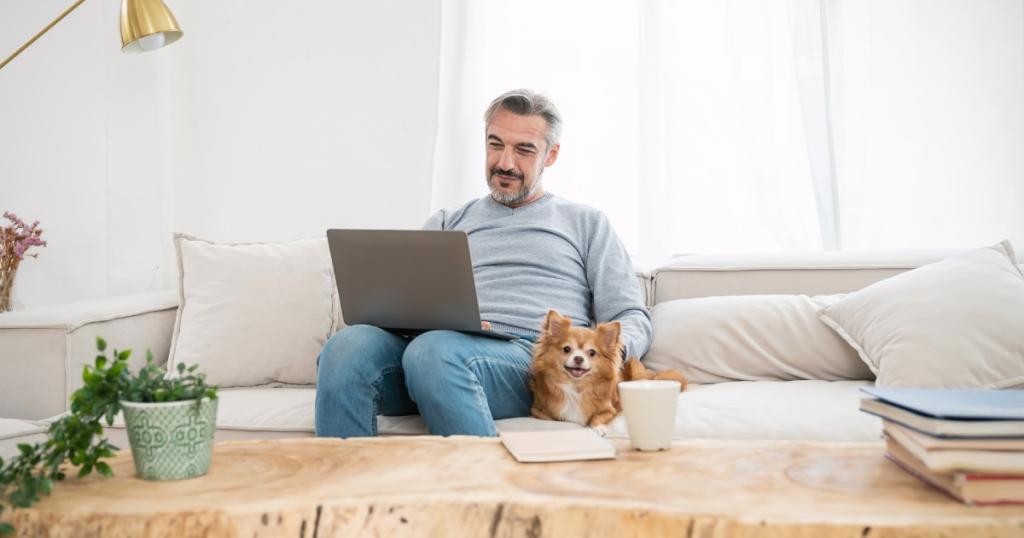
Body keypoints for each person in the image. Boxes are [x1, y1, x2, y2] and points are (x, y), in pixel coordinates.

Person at [315, 89, 652, 437]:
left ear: (551, 155)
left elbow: (632, 316)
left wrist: (600, 357)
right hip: (430, 353)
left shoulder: (585, 222)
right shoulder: (448, 221)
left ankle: (485, 488)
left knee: (434, 352)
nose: (505, 162)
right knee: (346, 347)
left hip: (527, 361)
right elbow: (408, 307)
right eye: (495, 145)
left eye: (524, 150)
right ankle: (345, 489)